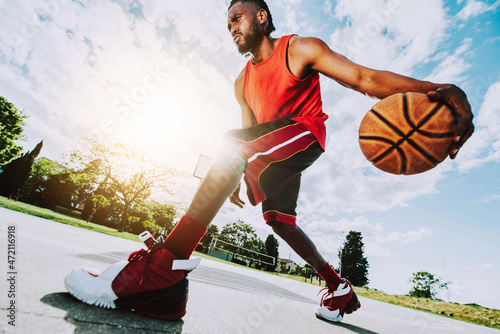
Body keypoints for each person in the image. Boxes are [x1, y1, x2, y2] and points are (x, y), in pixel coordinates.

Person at [64, 0, 474, 324]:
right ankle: (339, 286)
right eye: (228, 24)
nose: (232, 27)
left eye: (237, 17)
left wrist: (436, 88)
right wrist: (243, 175)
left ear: (262, 17)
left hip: (305, 133)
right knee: (278, 220)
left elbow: (363, 79)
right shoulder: (241, 82)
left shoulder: (299, 49)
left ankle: (164, 270)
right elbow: (253, 131)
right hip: (274, 145)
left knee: (232, 144)